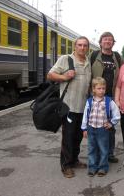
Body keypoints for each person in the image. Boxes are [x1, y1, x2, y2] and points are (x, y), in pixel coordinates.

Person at [47, 36, 91, 178]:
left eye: (85, 45)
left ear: (88, 47)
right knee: (68, 137)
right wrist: (64, 77)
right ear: (75, 46)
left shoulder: (88, 61)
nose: (82, 48)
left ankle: (74, 160)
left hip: (83, 107)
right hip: (69, 106)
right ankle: (65, 165)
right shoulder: (66, 59)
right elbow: (50, 75)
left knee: (78, 136)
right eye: (79, 45)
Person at [91, 31, 123, 163]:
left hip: (111, 97)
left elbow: (122, 75)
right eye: (105, 39)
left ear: (113, 43)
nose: (107, 42)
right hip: (96, 97)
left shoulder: (116, 56)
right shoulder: (94, 55)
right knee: (96, 126)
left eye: (110, 40)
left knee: (110, 126)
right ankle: (98, 153)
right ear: (100, 42)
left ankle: (109, 153)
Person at [81, 77, 120, 177]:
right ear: (93, 89)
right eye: (99, 88)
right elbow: (85, 115)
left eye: (103, 88)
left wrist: (111, 123)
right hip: (91, 128)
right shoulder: (89, 101)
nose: (101, 90)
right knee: (92, 149)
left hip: (103, 129)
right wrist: (84, 128)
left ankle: (103, 167)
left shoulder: (109, 101)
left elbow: (117, 115)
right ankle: (92, 167)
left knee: (103, 149)